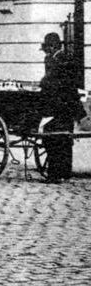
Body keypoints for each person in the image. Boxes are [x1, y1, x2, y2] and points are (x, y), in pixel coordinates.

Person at [40, 32, 82, 182]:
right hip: (68, 105)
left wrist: (42, 84)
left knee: (52, 138)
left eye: (47, 48)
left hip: (58, 106)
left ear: (52, 47)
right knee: (65, 139)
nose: (46, 51)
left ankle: (54, 175)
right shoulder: (64, 58)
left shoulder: (57, 60)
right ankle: (65, 172)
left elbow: (50, 81)